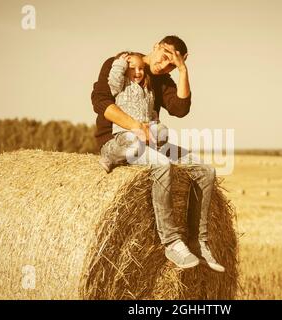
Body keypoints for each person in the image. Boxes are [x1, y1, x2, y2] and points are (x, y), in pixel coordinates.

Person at [91, 35, 224, 272]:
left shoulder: (162, 80)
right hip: (118, 138)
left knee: (206, 170)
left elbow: (180, 109)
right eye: (164, 58)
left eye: (171, 64)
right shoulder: (120, 64)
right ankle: (171, 242)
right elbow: (100, 100)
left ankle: (199, 242)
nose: (164, 66)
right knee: (161, 165)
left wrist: (182, 70)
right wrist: (135, 126)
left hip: (149, 140)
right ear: (155, 46)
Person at [98, 51, 170, 173]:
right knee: (135, 144)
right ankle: (110, 157)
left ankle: (150, 152)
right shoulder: (122, 85)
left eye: (141, 68)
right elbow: (114, 79)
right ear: (125, 70)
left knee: (163, 131)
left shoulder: (148, 90)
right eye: (132, 68)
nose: (138, 72)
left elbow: (150, 111)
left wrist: (153, 125)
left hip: (143, 130)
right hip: (124, 132)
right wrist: (120, 64)